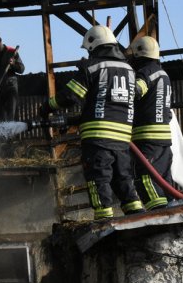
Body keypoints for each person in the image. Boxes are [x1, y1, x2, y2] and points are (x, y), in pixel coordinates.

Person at [41, 25, 144, 220]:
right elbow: (108, 101)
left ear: (93, 46)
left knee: (99, 178)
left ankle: (104, 220)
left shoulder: (93, 67)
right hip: (122, 136)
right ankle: (136, 215)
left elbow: (70, 96)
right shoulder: (129, 70)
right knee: (123, 177)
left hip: (97, 137)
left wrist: (48, 106)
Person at [128, 36, 174, 210]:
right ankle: (171, 207)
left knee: (145, 175)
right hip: (163, 136)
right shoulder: (164, 75)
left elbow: (136, 90)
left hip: (147, 136)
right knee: (162, 177)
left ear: (139, 54)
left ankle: (157, 212)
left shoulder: (146, 72)